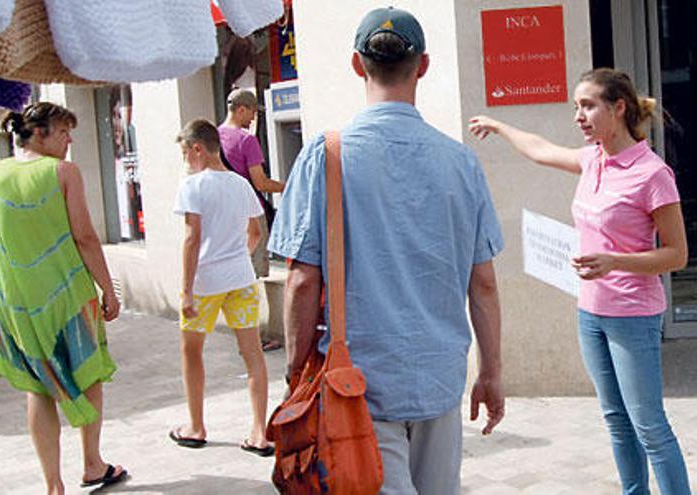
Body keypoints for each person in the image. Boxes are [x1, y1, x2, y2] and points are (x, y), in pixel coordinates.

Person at [269, 7, 505, 494]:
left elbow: (302, 280)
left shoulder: (324, 157)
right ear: (423, 66)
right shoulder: (462, 163)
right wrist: (490, 373)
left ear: (357, 64)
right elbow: (482, 283)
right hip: (439, 378)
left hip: (355, 386)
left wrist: (296, 374)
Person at [469, 68, 691, 495]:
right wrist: (498, 126)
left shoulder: (652, 173)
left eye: (588, 106)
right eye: (576, 106)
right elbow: (540, 150)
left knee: (649, 426)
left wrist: (614, 262)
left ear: (618, 108)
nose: (578, 116)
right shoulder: (592, 160)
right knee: (616, 420)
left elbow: (677, 255)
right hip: (590, 313)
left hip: (633, 315)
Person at [0, 102, 126, 494]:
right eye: (63, 132)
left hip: (13, 299)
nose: (69, 140)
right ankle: (92, 464)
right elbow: (85, 236)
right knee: (88, 372)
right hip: (66, 295)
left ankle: (53, 485)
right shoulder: (63, 172)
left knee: (37, 387)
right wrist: (108, 289)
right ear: (39, 133)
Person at [170, 119, 274, 457]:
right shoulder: (241, 184)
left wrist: (186, 290)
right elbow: (255, 233)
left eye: (185, 153)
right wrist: (237, 256)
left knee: (191, 351)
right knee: (252, 353)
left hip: (206, 282)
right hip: (241, 279)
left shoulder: (192, 185)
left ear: (197, 149)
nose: (186, 160)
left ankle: (196, 426)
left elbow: (191, 239)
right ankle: (259, 432)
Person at [219, 88, 284, 351]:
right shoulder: (247, 140)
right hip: (248, 213)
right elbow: (261, 183)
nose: (253, 119)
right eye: (252, 113)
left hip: (223, 215)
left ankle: (243, 335)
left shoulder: (213, 137)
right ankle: (254, 338)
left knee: (235, 274)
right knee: (249, 276)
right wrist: (289, 186)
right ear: (242, 109)